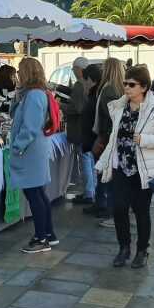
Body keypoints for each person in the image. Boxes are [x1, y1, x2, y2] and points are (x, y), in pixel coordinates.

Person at [96, 65, 154, 269]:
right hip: (121, 167)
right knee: (119, 209)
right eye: (125, 83)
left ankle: (142, 250)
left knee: (141, 211)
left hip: (144, 170)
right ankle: (124, 248)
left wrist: (144, 139)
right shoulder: (118, 108)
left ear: (144, 87)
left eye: (132, 84)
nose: (127, 88)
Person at [10, 57, 57, 254]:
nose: (17, 75)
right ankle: (48, 234)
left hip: (30, 150)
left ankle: (41, 238)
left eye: (20, 71)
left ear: (27, 73)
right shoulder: (33, 94)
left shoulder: (34, 96)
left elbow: (29, 127)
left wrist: (17, 147)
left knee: (34, 194)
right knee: (38, 193)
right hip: (34, 149)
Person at [84, 58, 125, 226]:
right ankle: (106, 207)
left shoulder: (109, 90)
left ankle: (112, 213)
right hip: (112, 137)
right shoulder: (119, 88)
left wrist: (104, 136)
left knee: (107, 175)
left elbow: (111, 116)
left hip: (108, 137)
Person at [57, 57, 89, 203]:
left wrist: (60, 105)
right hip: (85, 128)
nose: (73, 71)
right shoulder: (88, 83)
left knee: (85, 161)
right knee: (87, 160)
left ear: (78, 69)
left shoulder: (79, 84)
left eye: (73, 69)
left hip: (79, 128)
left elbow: (76, 108)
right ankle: (90, 191)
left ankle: (89, 193)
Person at [78, 64, 102, 207]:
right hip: (93, 139)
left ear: (91, 79)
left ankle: (96, 199)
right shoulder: (96, 93)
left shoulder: (96, 95)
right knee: (95, 168)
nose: (84, 84)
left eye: (85, 80)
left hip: (94, 139)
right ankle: (95, 198)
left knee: (94, 167)